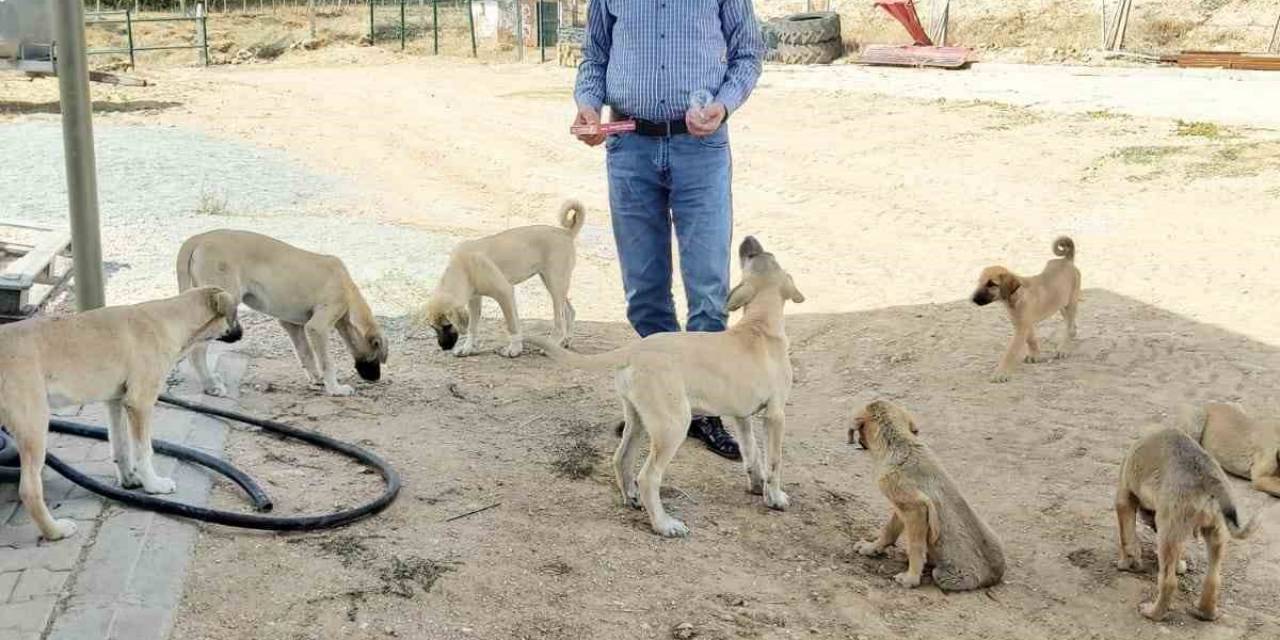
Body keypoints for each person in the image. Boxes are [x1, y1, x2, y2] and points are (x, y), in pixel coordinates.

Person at [572, 1, 765, 460]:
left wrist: (722, 105)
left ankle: (703, 410)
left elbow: (748, 54)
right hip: (628, 145)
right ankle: (661, 394)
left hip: (700, 148)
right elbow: (594, 57)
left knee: (708, 287)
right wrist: (587, 107)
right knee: (643, 287)